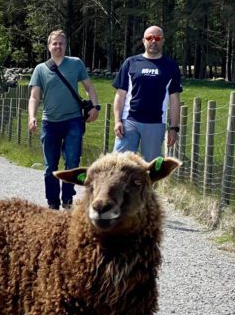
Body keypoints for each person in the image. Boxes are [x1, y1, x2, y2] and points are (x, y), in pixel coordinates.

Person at [28, 30, 100, 210]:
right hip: (50, 122)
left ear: (65, 46)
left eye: (61, 43)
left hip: (73, 120)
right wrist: (32, 116)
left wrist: (95, 107)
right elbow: (35, 97)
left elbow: (89, 87)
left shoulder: (76, 64)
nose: (58, 46)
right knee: (50, 165)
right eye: (54, 43)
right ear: (49, 46)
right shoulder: (41, 69)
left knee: (73, 161)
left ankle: (67, 198)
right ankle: (52, 202)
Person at [112, 25, 183, 161]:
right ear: (144, 41)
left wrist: (174, 128)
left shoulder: (171, 66)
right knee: (119, 166)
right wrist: (117, 121)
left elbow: (175, 99)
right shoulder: (130, 63)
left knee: (151, 169)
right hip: (129, 122)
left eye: (157, 38)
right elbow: (120, 95)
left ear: (163, 41)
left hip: (155, 124)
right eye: (150, 38)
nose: (153, 41)